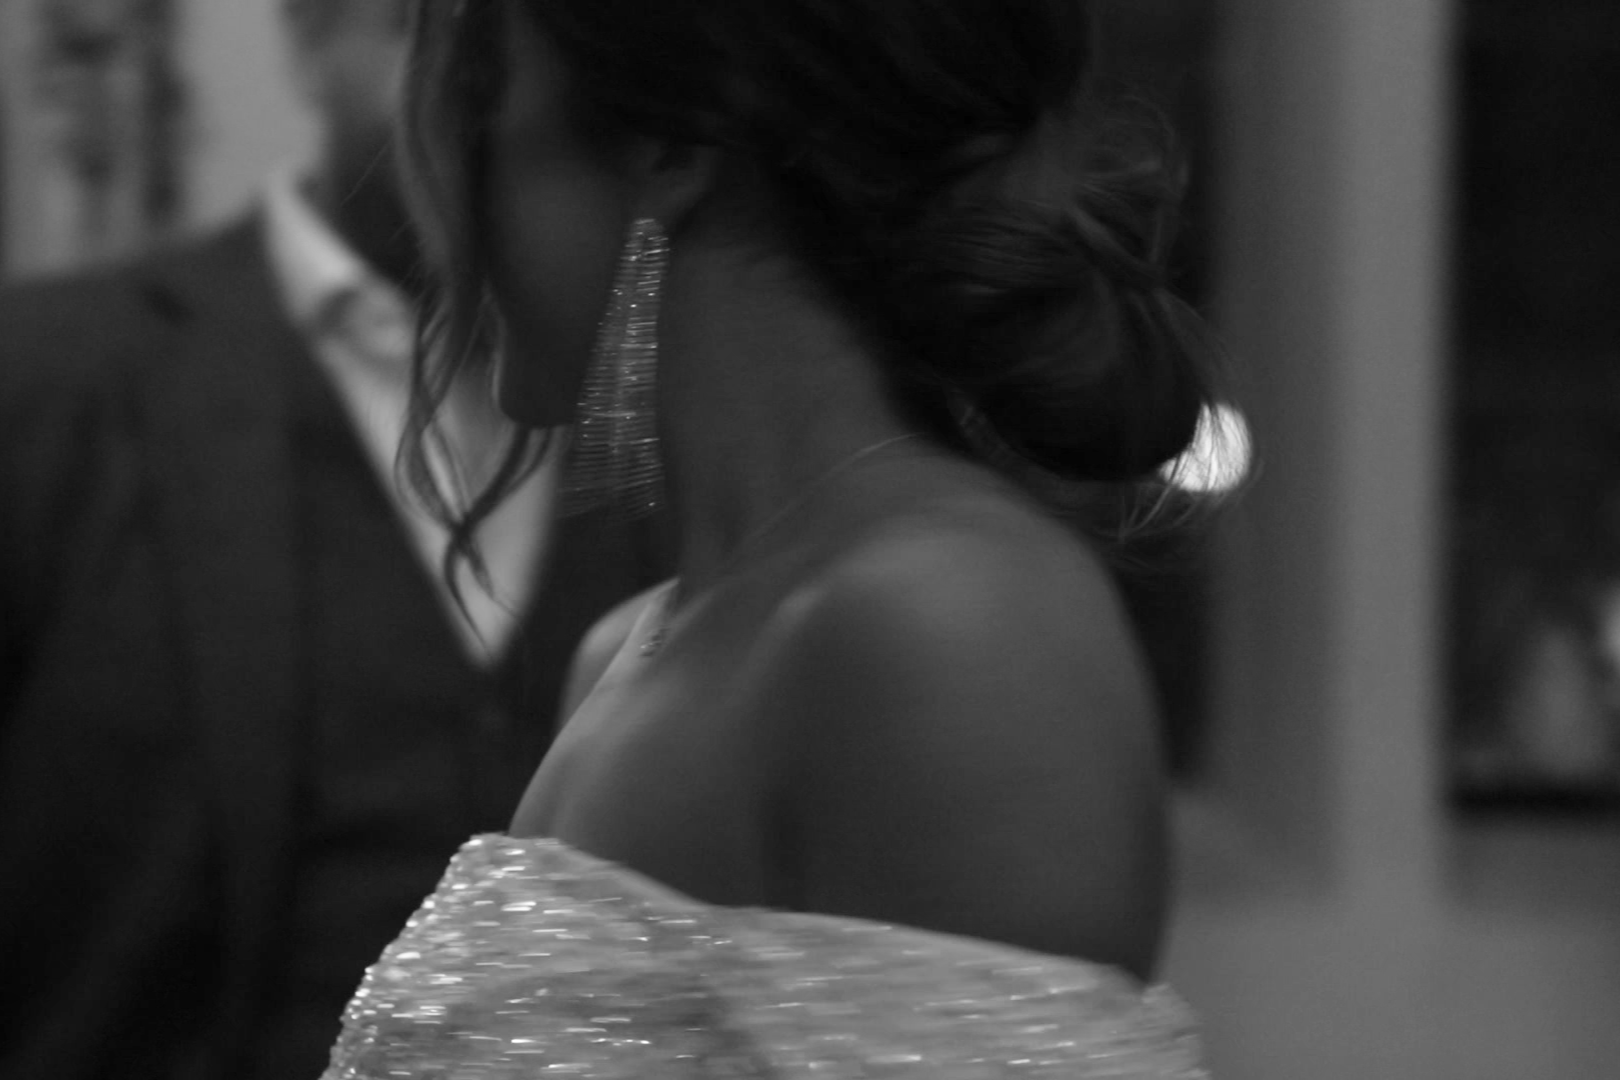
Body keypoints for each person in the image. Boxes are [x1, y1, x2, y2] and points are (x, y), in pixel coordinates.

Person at [321, 0, 1222, 1075]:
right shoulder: (629, 649)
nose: (443, 212)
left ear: (668, 151)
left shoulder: (948, 626)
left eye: (482, 107)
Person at [0, 2, 666, 1078]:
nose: (476, 97)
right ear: (307, 42)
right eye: (421, 27)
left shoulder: (667, 387)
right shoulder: (44, 385)